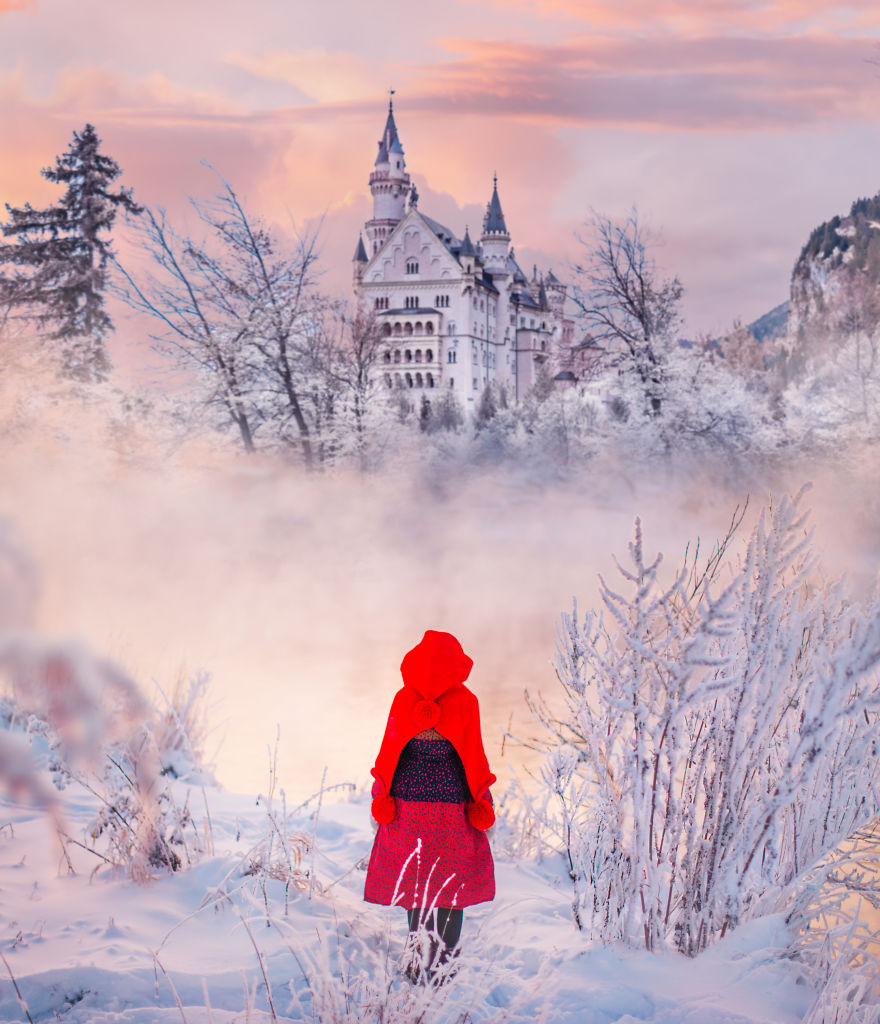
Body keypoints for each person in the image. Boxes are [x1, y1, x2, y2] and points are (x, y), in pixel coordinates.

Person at [364, 630, 496, 984]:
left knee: (417, 882)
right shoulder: (466, 701)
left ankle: (416, 961)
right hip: (451, 810)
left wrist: (381, 797)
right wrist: (481, 802)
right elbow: (475, 758)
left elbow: (388, 753)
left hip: (407, 810)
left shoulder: (402, 699)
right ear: (459, 666)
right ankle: (445, 966)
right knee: (450, 885)